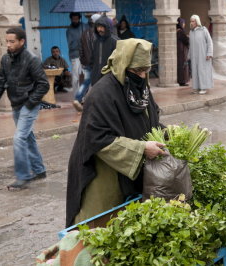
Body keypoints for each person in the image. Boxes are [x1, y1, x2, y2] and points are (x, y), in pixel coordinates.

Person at [66, 38, 165, 227]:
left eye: (146, 70)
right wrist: (141, 148)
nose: (142, 76)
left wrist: (165, 132)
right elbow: (97, 138)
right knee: (100, 229)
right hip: (102, 174)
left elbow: (146, 121)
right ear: (122, 64)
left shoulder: (140, 90)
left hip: (128, 170)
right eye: (137, 71)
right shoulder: (101, 94)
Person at [0, 27, 49, 190]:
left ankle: (23, 177)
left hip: (29, 105)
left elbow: (44, 84)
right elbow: (1, 81)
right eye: (6, 41)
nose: (8, 44)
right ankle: (39, 170)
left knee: (19, 138)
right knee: (28, 137)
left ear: (22, 41)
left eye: (12, 41)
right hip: (15, 104)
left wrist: (30, 103)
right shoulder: (6, 59)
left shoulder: (31, 59)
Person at [73, 13, 101, 112]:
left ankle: (78, 98)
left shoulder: (84, 33)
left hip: (87, 62)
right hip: (97, 62)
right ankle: (95, 102)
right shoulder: (99, 34)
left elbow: (80, 49)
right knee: (99, 82)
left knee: (86, 82)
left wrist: (83, 61)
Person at [189, 14, 213, 95]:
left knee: (202, 71)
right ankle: (196, 88)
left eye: (193, 21)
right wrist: (189, 56)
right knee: (195, 71)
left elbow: (210, 42)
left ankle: (203, 87)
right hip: (194, 56)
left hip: (203, 55)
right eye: (191, 21)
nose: (191, 23)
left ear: (197, 22)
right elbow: (190, 45)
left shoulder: (204, 30)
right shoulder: (191, 32)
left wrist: (209, 53)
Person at [89, 16, 117, 86]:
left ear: (107, 27)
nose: (99, 29)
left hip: (109, 76)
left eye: (102, 27)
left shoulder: (114, 41)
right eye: (98, 27)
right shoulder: (96, 41)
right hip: (96, 76)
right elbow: (93, 58)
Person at [66, 12, 88, 94]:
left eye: (76, 18)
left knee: (86, 76)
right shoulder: (69, 30)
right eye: (73, 19)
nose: (75, 20)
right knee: (75, 78)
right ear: (71, 19)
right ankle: (76, 96)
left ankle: (86, 95)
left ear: (79, 18)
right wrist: (80, 41)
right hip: (75, 56)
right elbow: (71, 45)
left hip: (85, 55)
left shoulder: (85, 26)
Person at [176, 17, 189, 86]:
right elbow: (186, 41)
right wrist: (188, 37)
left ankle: (180, 80)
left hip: (178, 51)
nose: (184, 24)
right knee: (183, 65)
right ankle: (182, 81)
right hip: (182, 51)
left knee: (180, 65)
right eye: (183, 23)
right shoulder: (180, 32)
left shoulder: (176, 30)